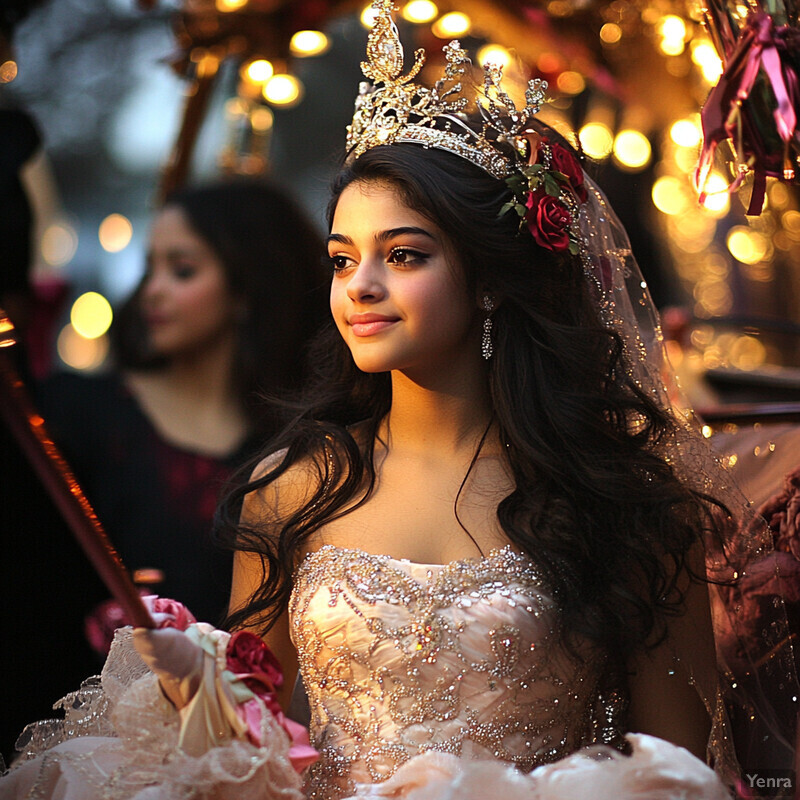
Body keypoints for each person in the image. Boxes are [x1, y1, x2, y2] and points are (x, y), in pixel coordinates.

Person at [3, 4, 796, 798]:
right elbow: (250, 752)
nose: (362, 288)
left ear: (489, 280)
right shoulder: (292, 489)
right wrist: (191, 690)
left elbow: (674, 774)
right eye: (343, 260)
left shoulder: (627, 503)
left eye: (404, 255)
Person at [35, 179, 328, 627]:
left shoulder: (296, 447)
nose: (152, 290)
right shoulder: (72, 413)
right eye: (149, 268)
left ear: (247, 287)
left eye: (182, 270)